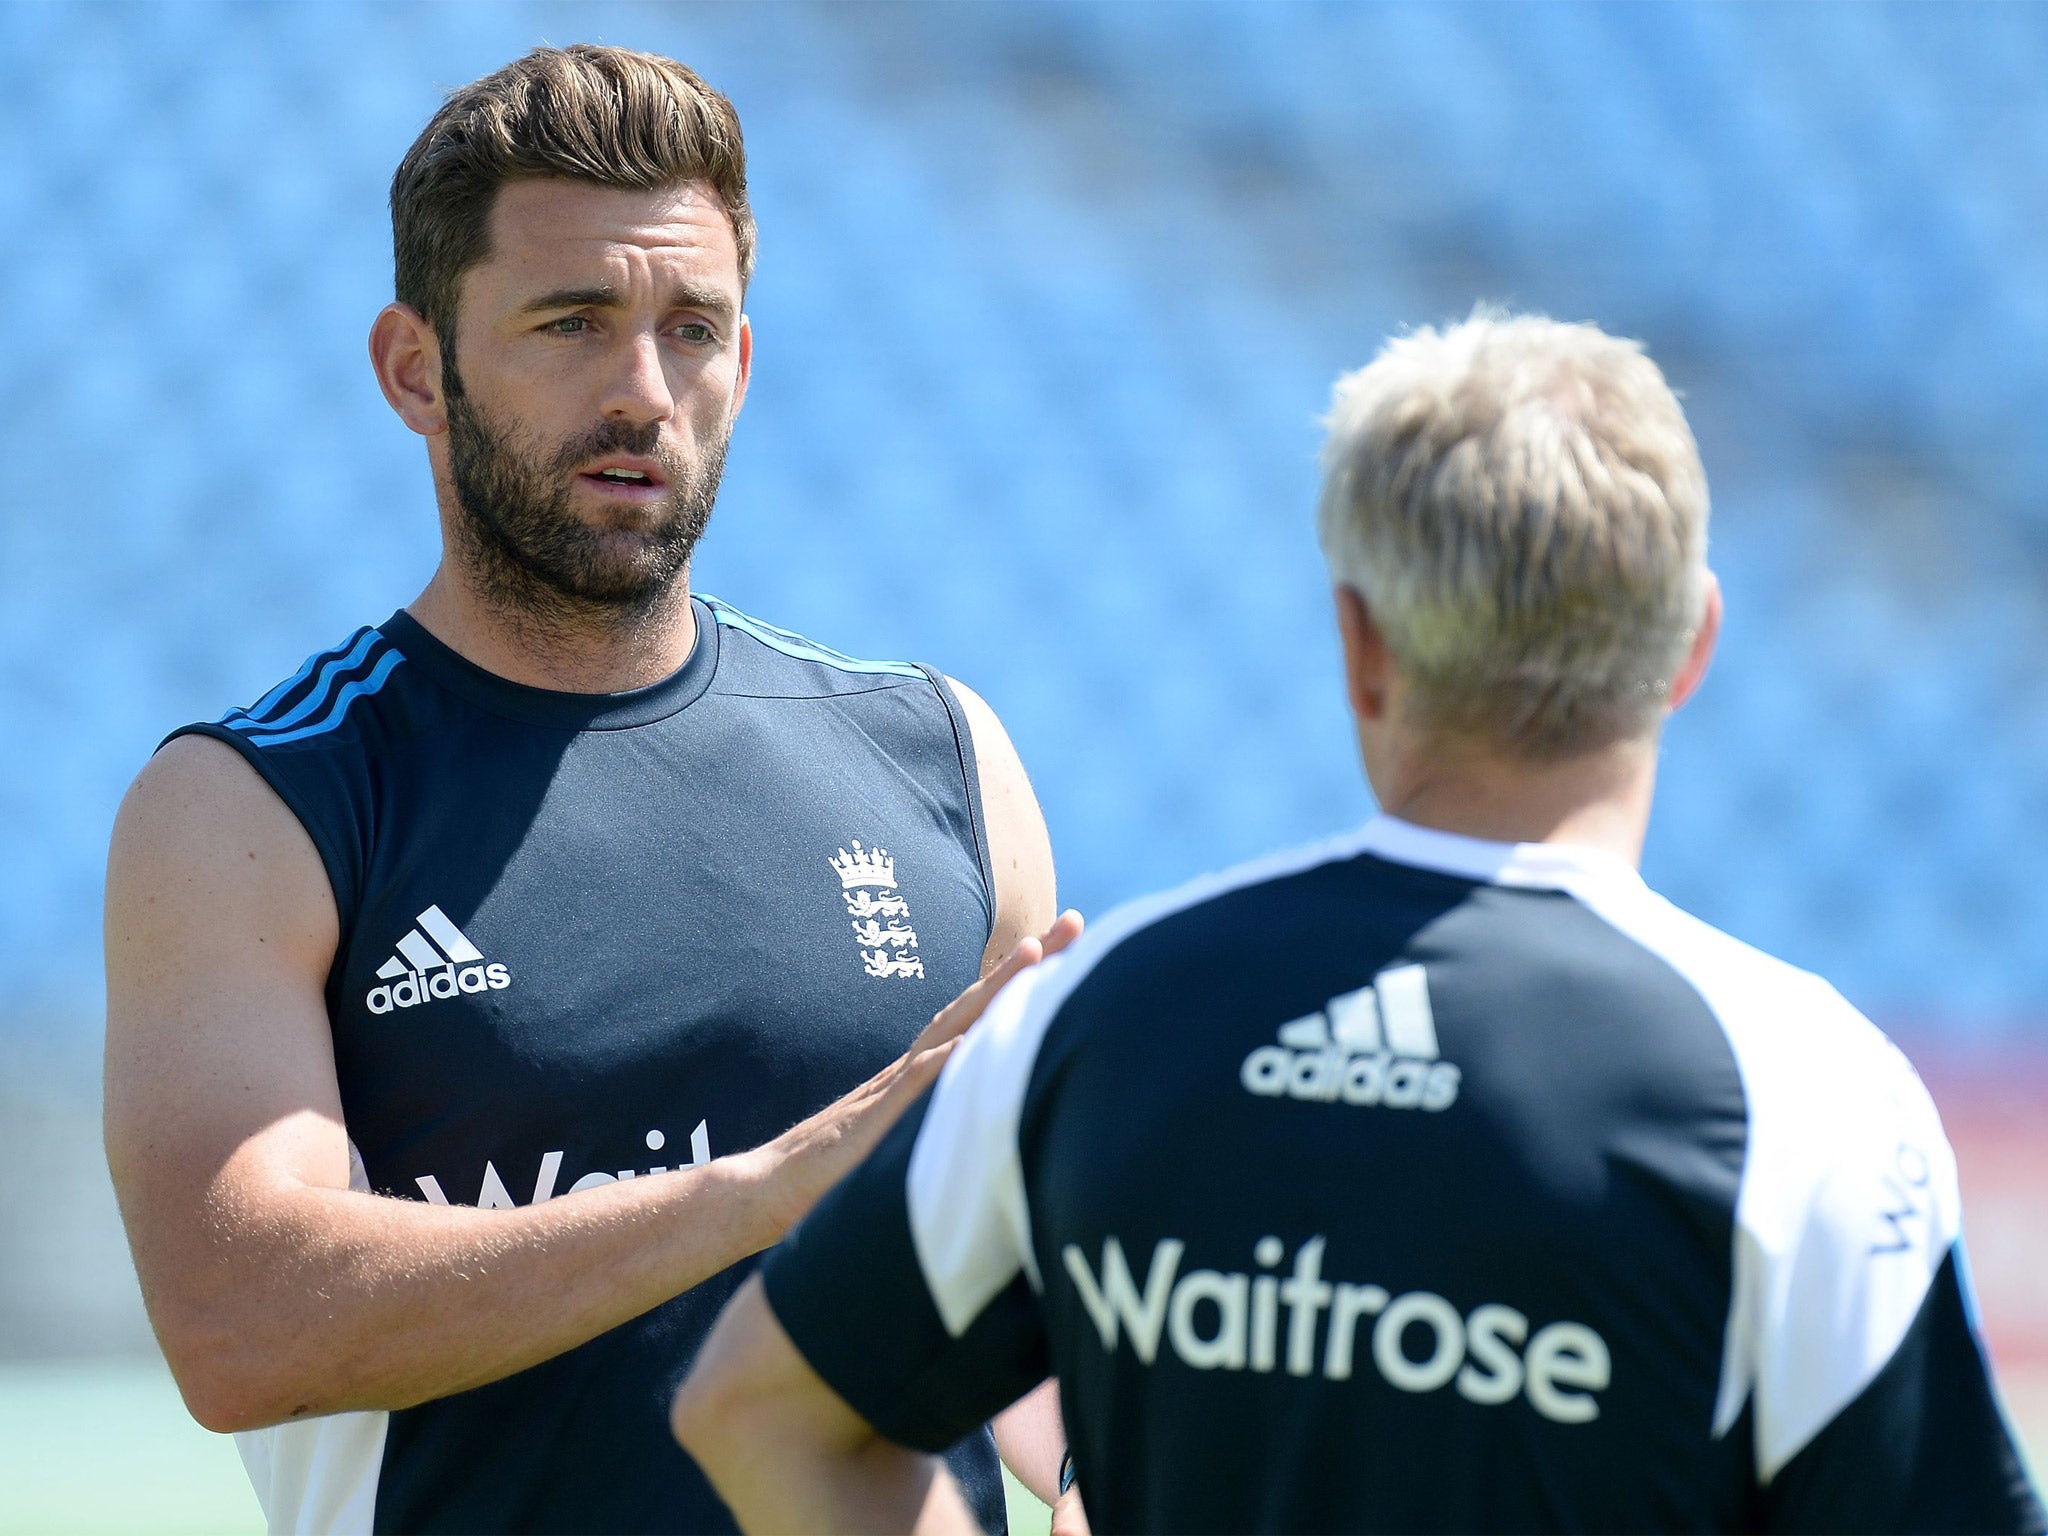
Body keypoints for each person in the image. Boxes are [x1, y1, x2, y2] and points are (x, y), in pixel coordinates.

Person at [671, 313, 2047, 1534]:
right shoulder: (1806, 1091)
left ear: (1362, 643)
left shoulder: (1096, 1015)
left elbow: (756, 1411)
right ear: (1692, 645)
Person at [103, 43, 1080, 1535]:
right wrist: (761, 1198)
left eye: (692, 329)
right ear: (414, 369)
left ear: (743, 363)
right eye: (571, 322)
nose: (643, 390)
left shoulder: (940, 755)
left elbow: (1017, 1286)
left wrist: (1099, 1465)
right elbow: (240, 1323)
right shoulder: (259, 805)